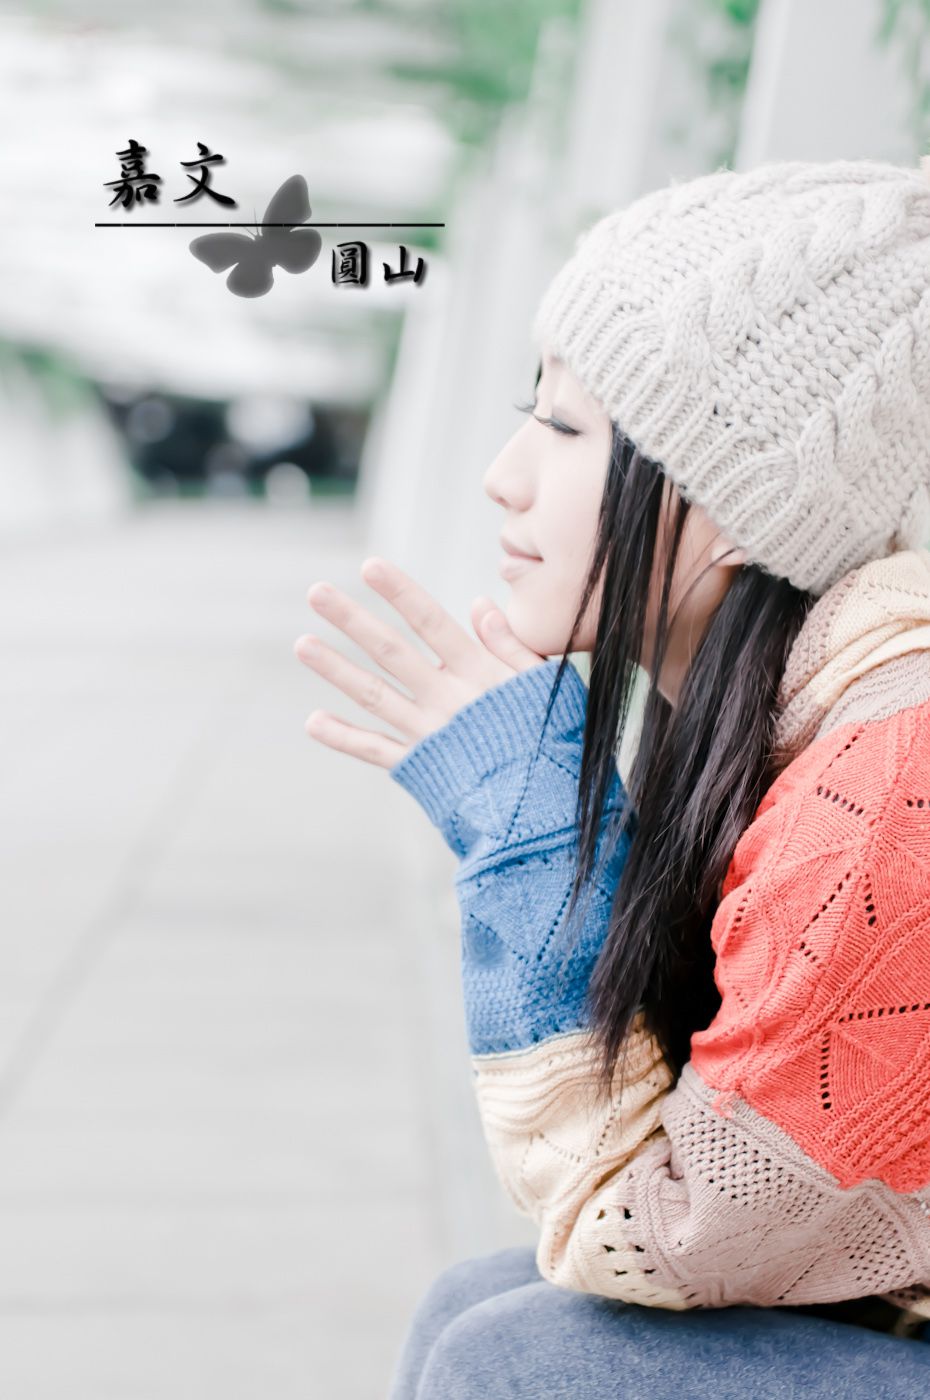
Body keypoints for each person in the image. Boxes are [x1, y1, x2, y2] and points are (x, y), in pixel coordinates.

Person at [294, 157, 930, 1397]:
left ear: (742, 505)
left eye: (567, 426)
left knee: (523, 1355)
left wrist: (529, 837)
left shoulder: (888, 780)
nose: (504, 473)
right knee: (476, 1306)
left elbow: (656, 1230)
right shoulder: (809, 720)